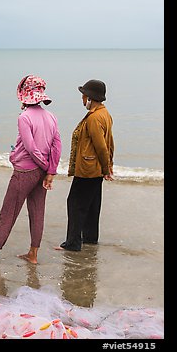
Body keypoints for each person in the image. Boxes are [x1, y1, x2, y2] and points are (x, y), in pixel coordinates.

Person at [0, 75, 62, 265]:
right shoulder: (51, 116)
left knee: (8, 212)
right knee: (37, 211)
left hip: (24, 172)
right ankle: (33, 254)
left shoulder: (24, 117)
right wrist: (50, 171)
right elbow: (56, 145)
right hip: (42, 172)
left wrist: (44, 166)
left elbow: (30, 148)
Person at [56, 79, 114, 251]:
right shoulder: (105, 113)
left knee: (75, 203)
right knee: (92, 204)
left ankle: (73, 243)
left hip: (88, 169)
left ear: (90, 98)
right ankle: (90, 238)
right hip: (96, 169)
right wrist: (107, 165)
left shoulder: (94, 118)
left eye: (83, 96)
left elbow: (101, 146)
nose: (82, 100)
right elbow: (110, 142)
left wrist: (106, 168)